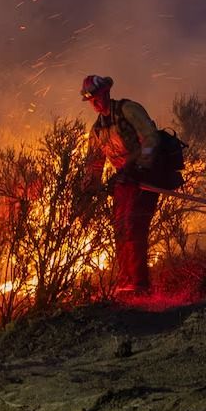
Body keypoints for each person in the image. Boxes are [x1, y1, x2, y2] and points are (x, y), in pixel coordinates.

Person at [81, 74, 160, 297]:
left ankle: (140, 284)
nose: (95, 103)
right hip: (123, 181)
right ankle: (127, 281)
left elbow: (151, 138)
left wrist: (140, 167)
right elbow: (93, 166)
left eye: (97, 97)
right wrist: (87, 192)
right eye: (91, 100)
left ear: (106, 92)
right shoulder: (97, 130)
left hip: (146, 178)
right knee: (120, 229)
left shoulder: (129, 110)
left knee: (134, 225)